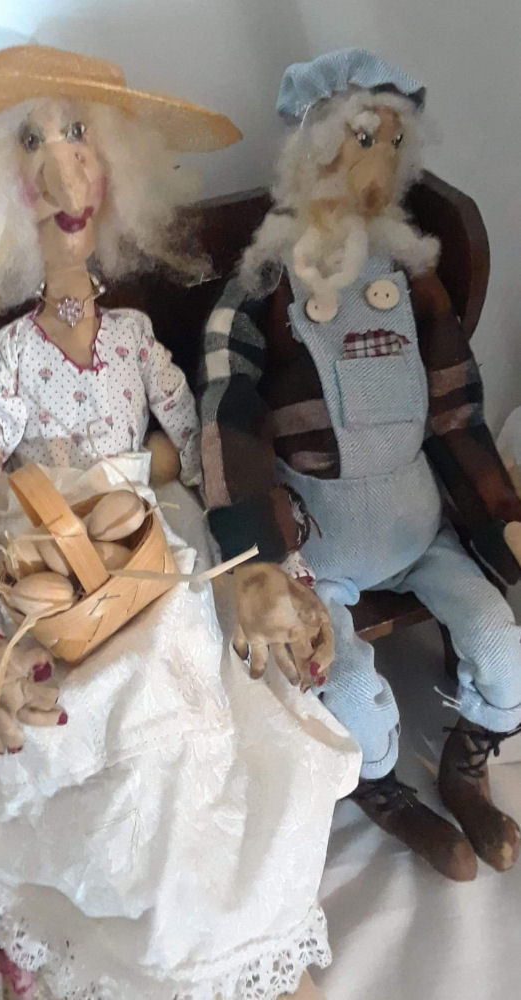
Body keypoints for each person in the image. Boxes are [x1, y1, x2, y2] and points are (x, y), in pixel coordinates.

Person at [0, 45, 359, 1000]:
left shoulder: (137, 342)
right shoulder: (11, 361)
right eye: (32, 143)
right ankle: (132, 950)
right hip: (59, 575)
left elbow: (206, 446)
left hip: (150, 557)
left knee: (201, 722)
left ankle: (222, 947)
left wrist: (258, 558)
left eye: (77, 135)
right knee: (95, 739)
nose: (65, 167)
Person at [199, 48, 521, 883]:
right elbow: (227, 417)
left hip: (422, 532)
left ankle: (466, 767)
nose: (372, 165)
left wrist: (500, 516)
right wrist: (259, 561)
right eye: (357, 139)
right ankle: (381, 787)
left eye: (389, 142)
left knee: (503, 644)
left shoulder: (412, 279)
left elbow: (456, 410)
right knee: (347, 691)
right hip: (325, 553)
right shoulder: (264, 286)